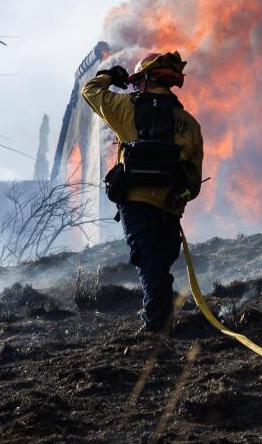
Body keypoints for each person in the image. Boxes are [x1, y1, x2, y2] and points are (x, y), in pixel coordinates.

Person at [82, 51, 203, 333]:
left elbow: (90, 91)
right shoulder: (190, 125)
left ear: (145, 81)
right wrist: (178, 199)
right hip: (169, 208)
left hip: (135, 202)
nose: (136, 88)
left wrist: (111, 76)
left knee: (148, 259)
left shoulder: (125, 108)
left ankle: (154, 326)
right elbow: (194, 184)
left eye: (137, 83)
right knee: (158, 261)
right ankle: (162, 316)